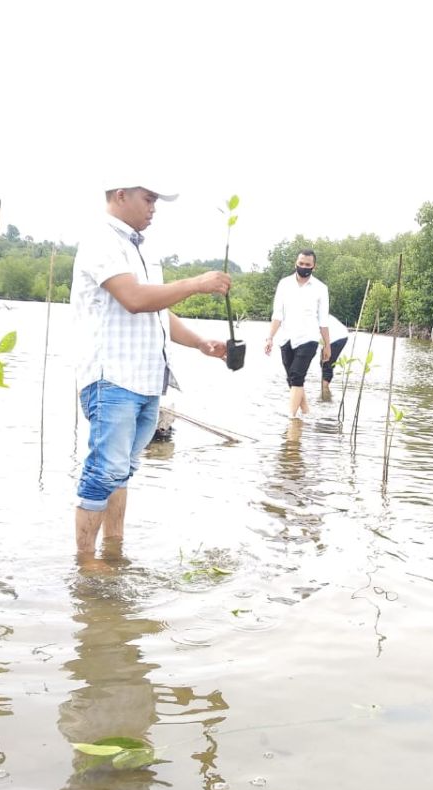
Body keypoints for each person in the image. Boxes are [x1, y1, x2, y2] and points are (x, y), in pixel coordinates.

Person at [71, 176, 232, 559]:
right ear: (120, 194)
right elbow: (134, 299)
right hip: (111, 378)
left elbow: (158, 311)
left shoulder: (141, 249)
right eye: (149, 199)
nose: (153, 208)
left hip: (145, 381)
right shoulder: (101, 240)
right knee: (103, 471)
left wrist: (200, 344)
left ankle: (114, 549)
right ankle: (85, 563)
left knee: (123, 470)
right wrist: (196, 283)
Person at [264, 249, 330, 418]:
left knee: (296, 376)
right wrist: (269, 338)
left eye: (307, 264)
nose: (303, 267)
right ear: (296, 263)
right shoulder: (284, 284)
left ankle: (291, 419)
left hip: (308, 339)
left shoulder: (321, 288)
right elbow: (277, 314)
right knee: (292, 381)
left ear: (314, 266)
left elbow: (323, 321)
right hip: (287, 338)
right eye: (301, 263)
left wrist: (327, 346)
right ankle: (306, 413)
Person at [319, 312, 349, 395]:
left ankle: (324, 389)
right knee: (323, 362)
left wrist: (326, 346)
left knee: (327, 363)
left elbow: (322, 330)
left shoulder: (314, 314)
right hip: (334, 336)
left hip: (337, 337)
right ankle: (325, 393)